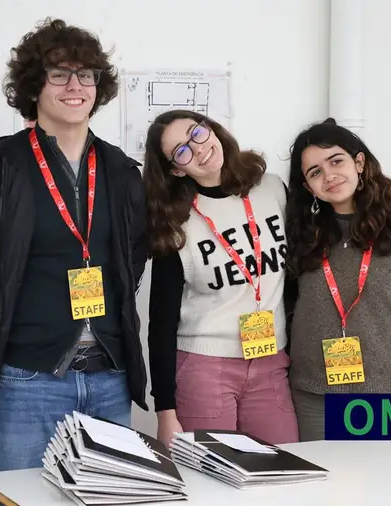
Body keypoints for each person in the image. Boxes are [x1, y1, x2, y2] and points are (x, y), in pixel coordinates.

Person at [0, 18, 149, 472]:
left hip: (110, 377)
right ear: (34, 85)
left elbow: (131, 263)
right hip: (26, 382)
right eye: (59, 73)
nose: (76, 86)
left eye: (86, 74)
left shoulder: (123, 174)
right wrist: (3, 356)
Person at [142, 109, 299, 447]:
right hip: (205, 369)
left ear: (211, 129)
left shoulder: (272, 189)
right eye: (181, 151)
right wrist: (164, 410)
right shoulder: (177, 222)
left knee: (283, 475)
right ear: (175, 168)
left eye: (196, 134)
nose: (197, 149)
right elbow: (162, 322)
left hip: (271, 363)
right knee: (210, 484)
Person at [284, 118, 391, 441]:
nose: (328, 176)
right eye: (315, 172)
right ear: (307, 187)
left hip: (384, 400)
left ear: (359, 162)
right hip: (312, 398)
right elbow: (286, 310)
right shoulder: (301, 237)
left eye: (336, 161)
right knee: (319, 490)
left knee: (385, 489)